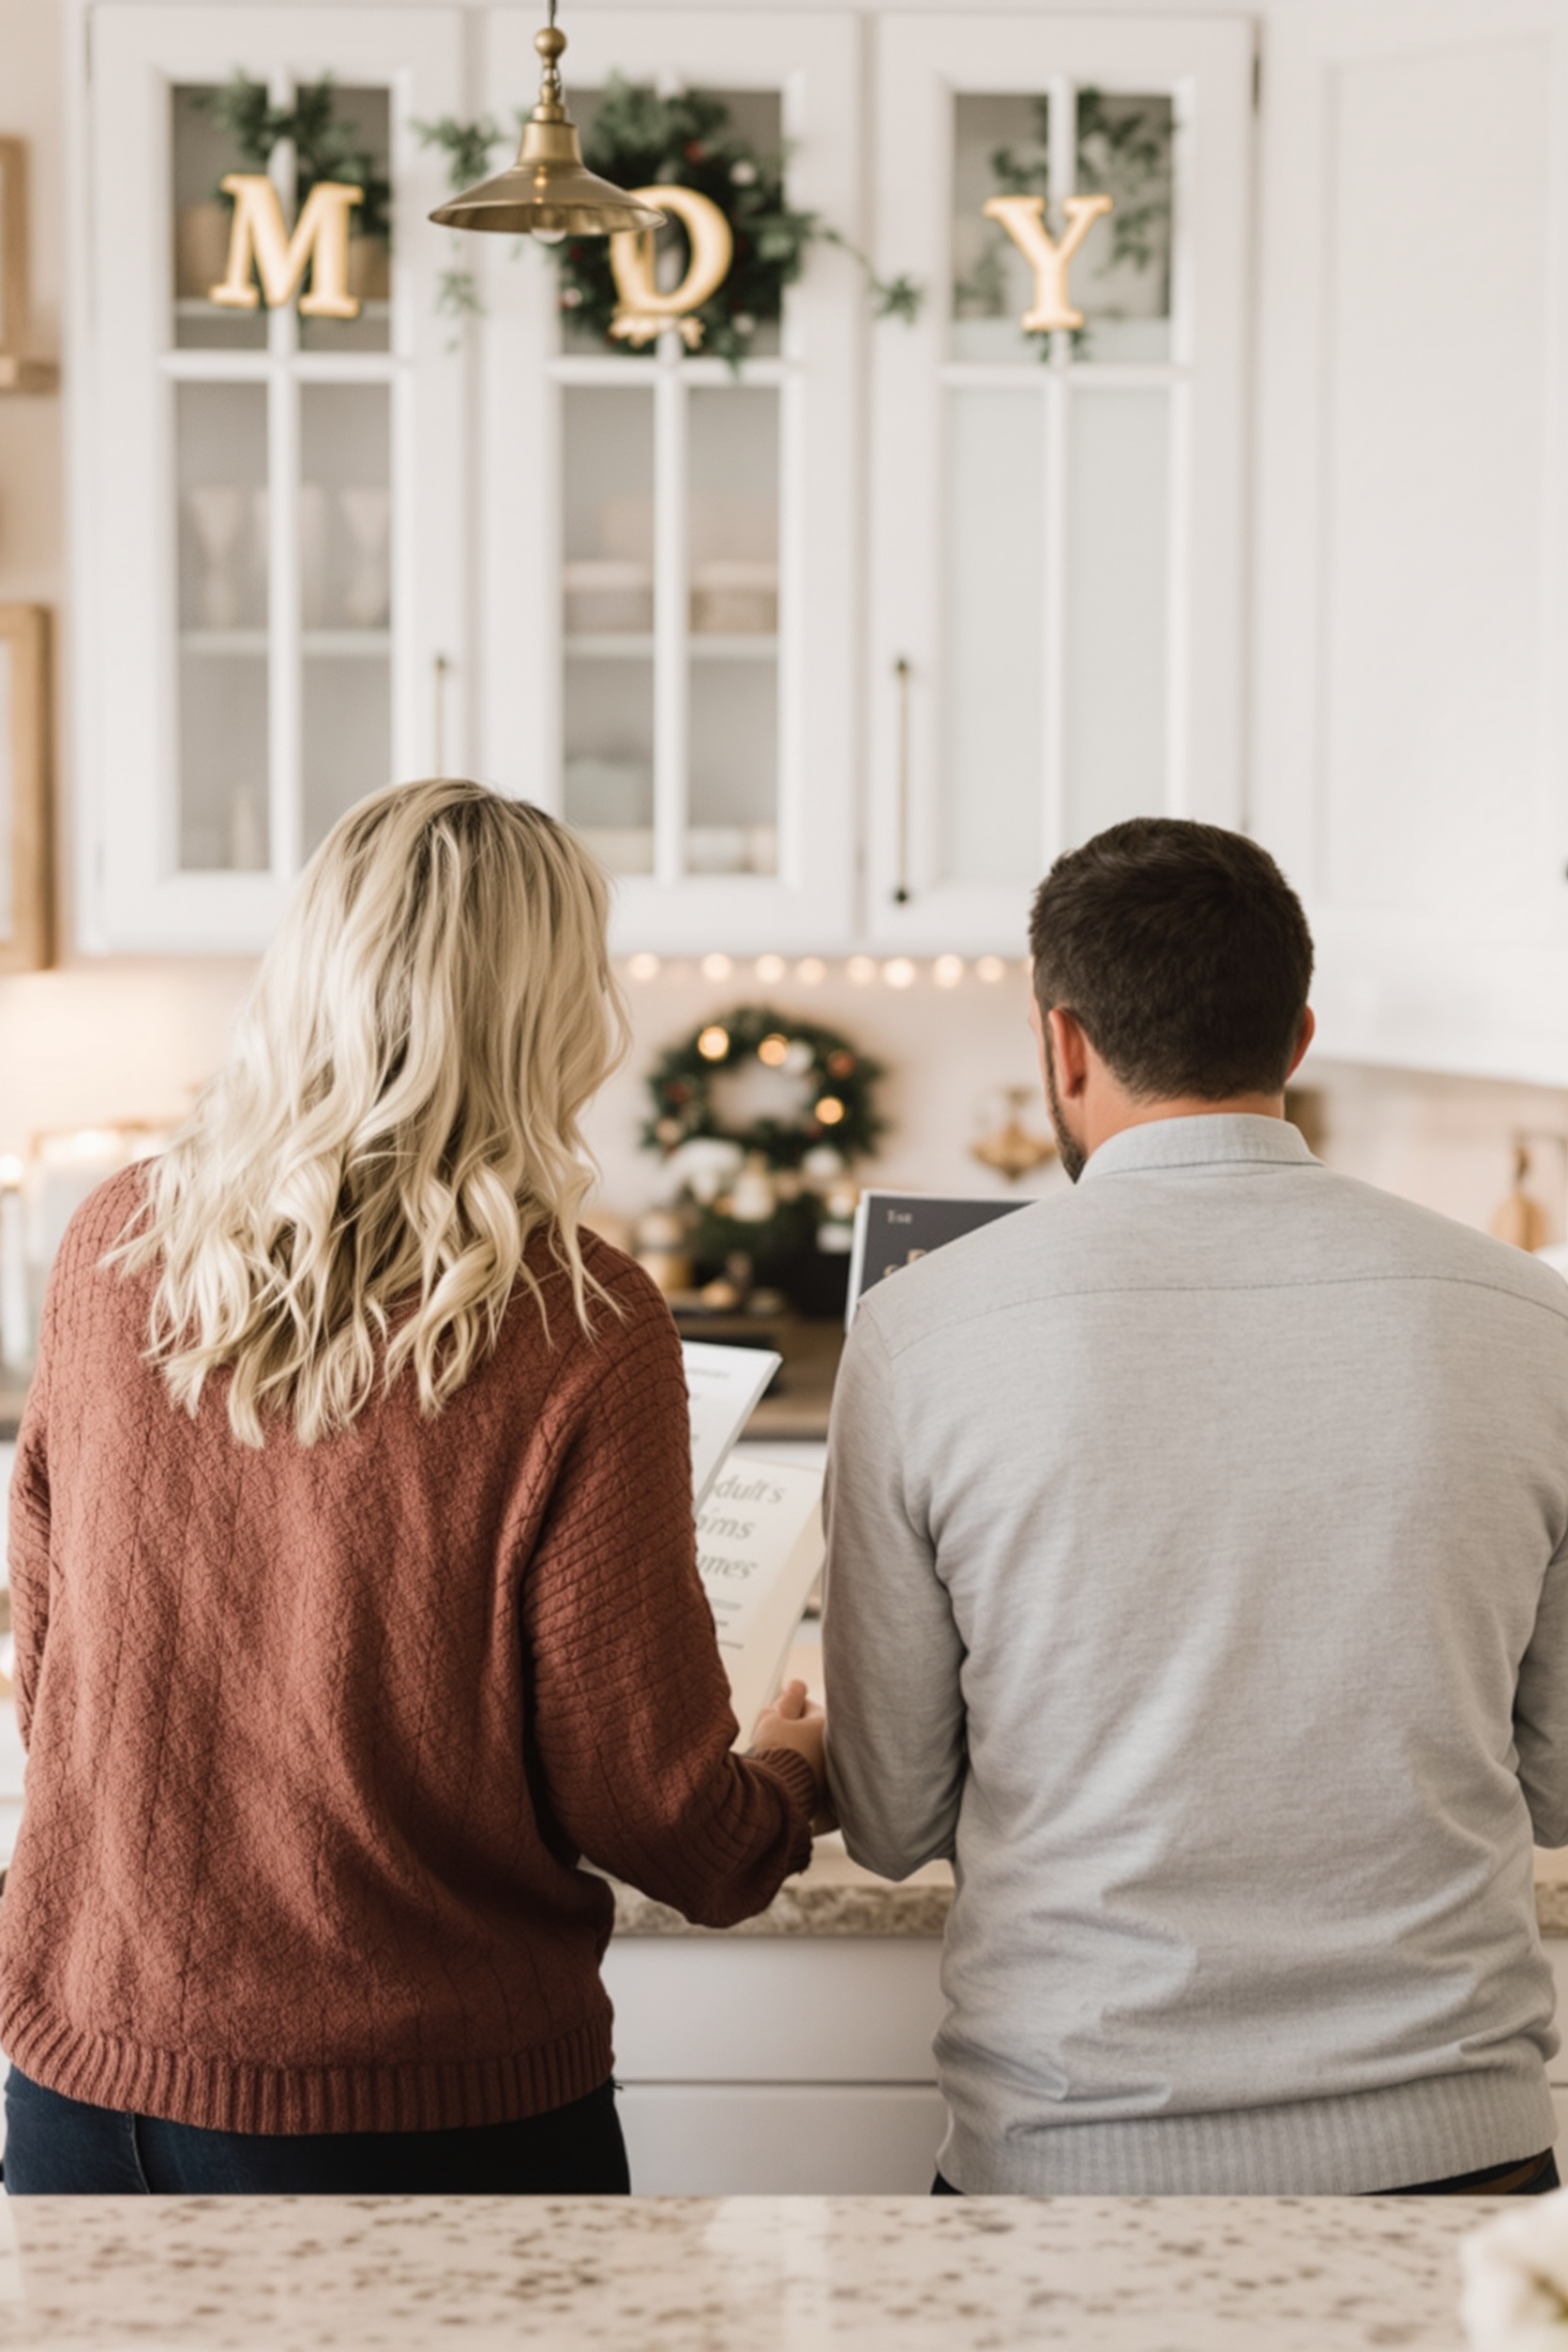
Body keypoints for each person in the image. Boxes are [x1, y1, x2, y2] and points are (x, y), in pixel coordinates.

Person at [0, 778, 825, 2196]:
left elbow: (48, 1658)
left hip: (84, 2084)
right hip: (422, 2116)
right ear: (550, 1014)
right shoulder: (581, 1320)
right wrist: (795, 1778)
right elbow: (663, 1814)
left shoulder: (111, 1243)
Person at [823, 816, 1568, 2198]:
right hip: (1455, 2162)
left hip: (1067, 2166)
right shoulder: (1533, 1320)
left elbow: (891, 1814)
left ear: (1063, 1044)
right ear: (1296, 1039)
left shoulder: (923, 1332)